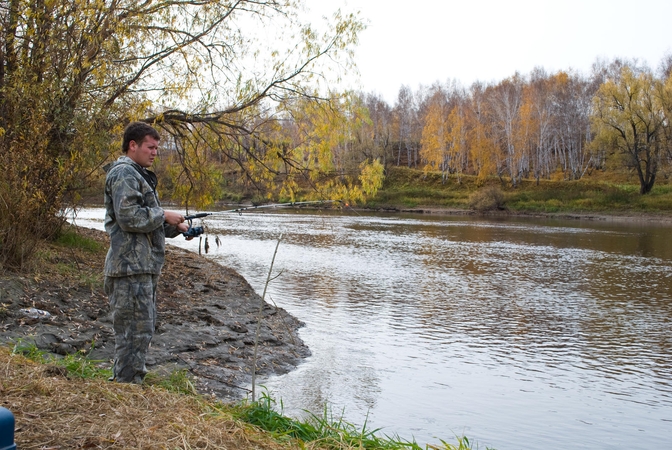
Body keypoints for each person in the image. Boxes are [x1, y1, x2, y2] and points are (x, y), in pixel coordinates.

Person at [103, 121, 189, 383]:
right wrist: (164, 214)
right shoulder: (123, 174)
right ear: (133, 145)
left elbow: (147, 223)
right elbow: (128, 217)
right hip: (129, 271)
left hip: (143, 269)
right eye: (150, 147)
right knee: (132, 333)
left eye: (156, 148)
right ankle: (126, 388)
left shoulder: (138, 175)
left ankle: (129, 384)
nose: (154, 153)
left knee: (142, 331)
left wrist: (177, 227)